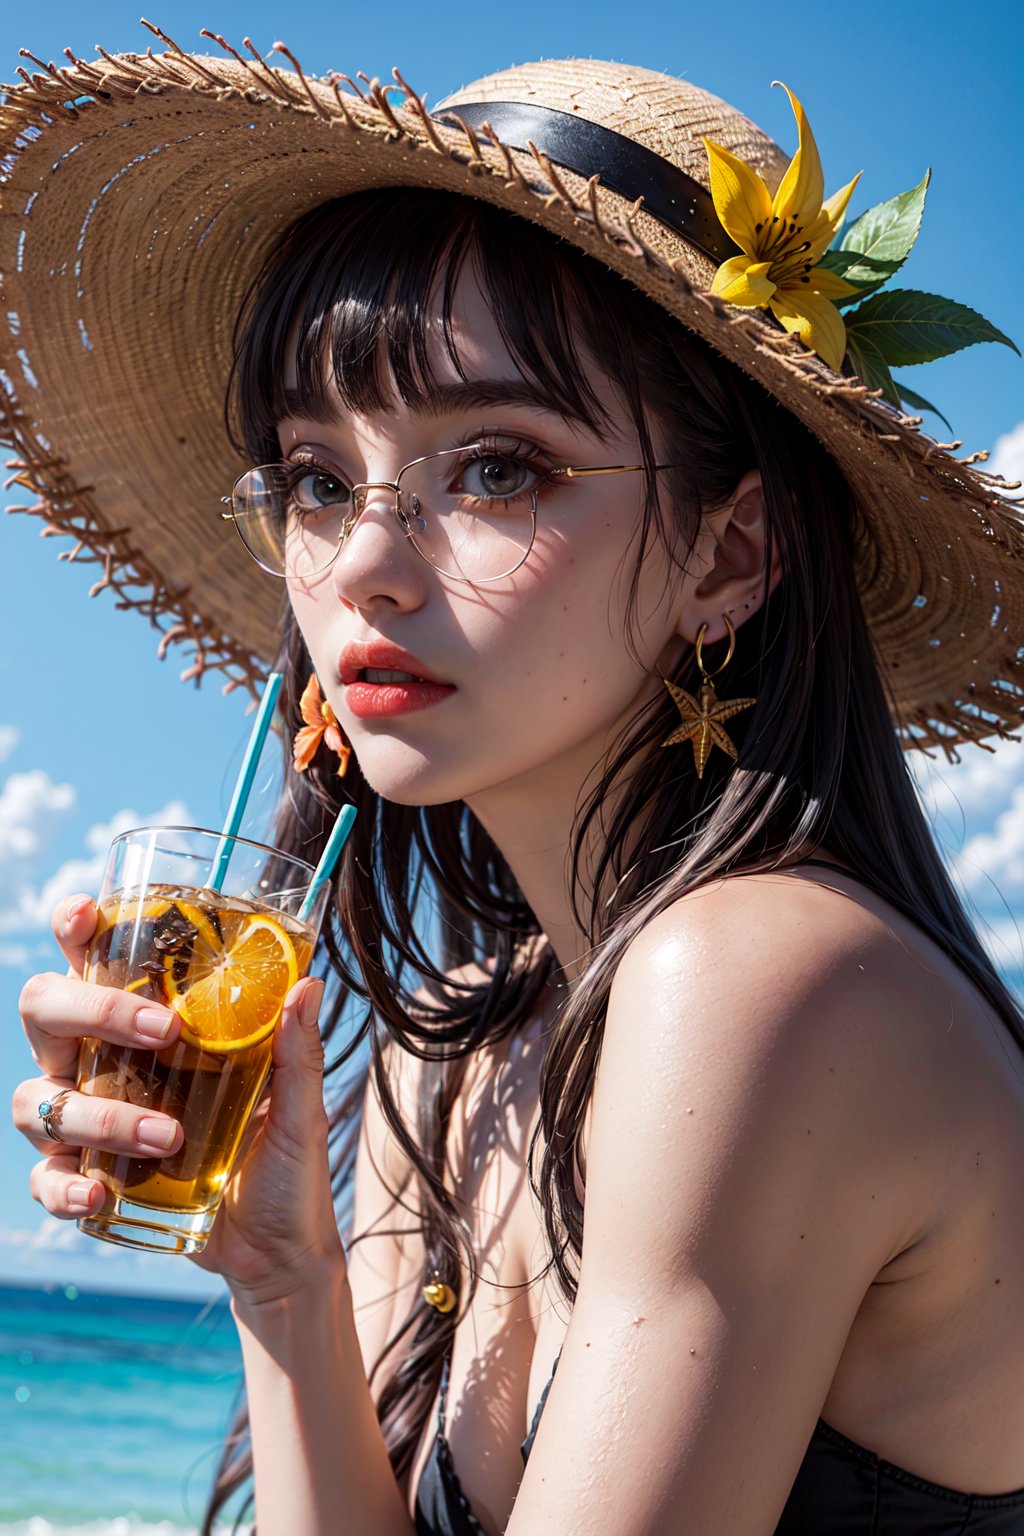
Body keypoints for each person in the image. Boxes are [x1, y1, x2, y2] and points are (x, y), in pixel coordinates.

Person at [6, 35, 1024, 1536]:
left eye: (494, 468)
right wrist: (277, 1279)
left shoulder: (756, 984)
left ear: (730, 555)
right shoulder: (470, 1030)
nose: (360, 565)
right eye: (314, 478)